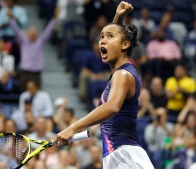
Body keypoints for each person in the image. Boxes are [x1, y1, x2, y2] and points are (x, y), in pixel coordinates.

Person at [53, 2, 154, 169]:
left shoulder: (123, 74)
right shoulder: (120, 72)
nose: (102, 41)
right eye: (101, 37)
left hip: (125, 156)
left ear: (125, 45)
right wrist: (118, 17)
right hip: (117, 155)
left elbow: (112, 107)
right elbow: (117, 36)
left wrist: (73, 128)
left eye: (108, 37)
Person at [7, 8, 59, 91]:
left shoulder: (40, 42)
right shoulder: (23, 41)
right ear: (28, 34)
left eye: (34, 33)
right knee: (23, 93)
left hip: (36, 74)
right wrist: (11, 19)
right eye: (31, 33)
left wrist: (54, 18)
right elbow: (16, 30)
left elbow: (48, 31)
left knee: (37, 94)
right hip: (25, 73)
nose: (33, 35)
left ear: (37, 34)